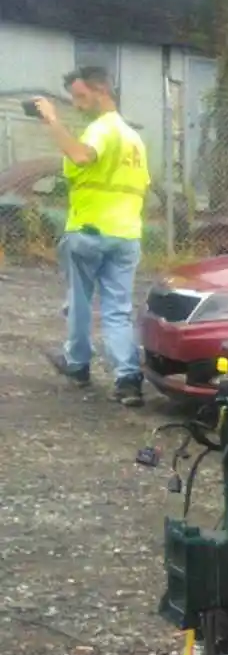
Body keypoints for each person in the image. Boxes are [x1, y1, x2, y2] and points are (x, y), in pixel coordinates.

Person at [33, 66, 151, 407]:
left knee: (80, 302)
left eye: (81, 96)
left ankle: (78, 365)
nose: (77, 104)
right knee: (117, 309)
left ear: (102, 91)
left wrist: (52, 121)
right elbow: (141, 185)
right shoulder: (134, 138)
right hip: (126, 234)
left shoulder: (103, 129)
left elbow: (81, 155)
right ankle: (128, 380)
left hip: (89, 230)